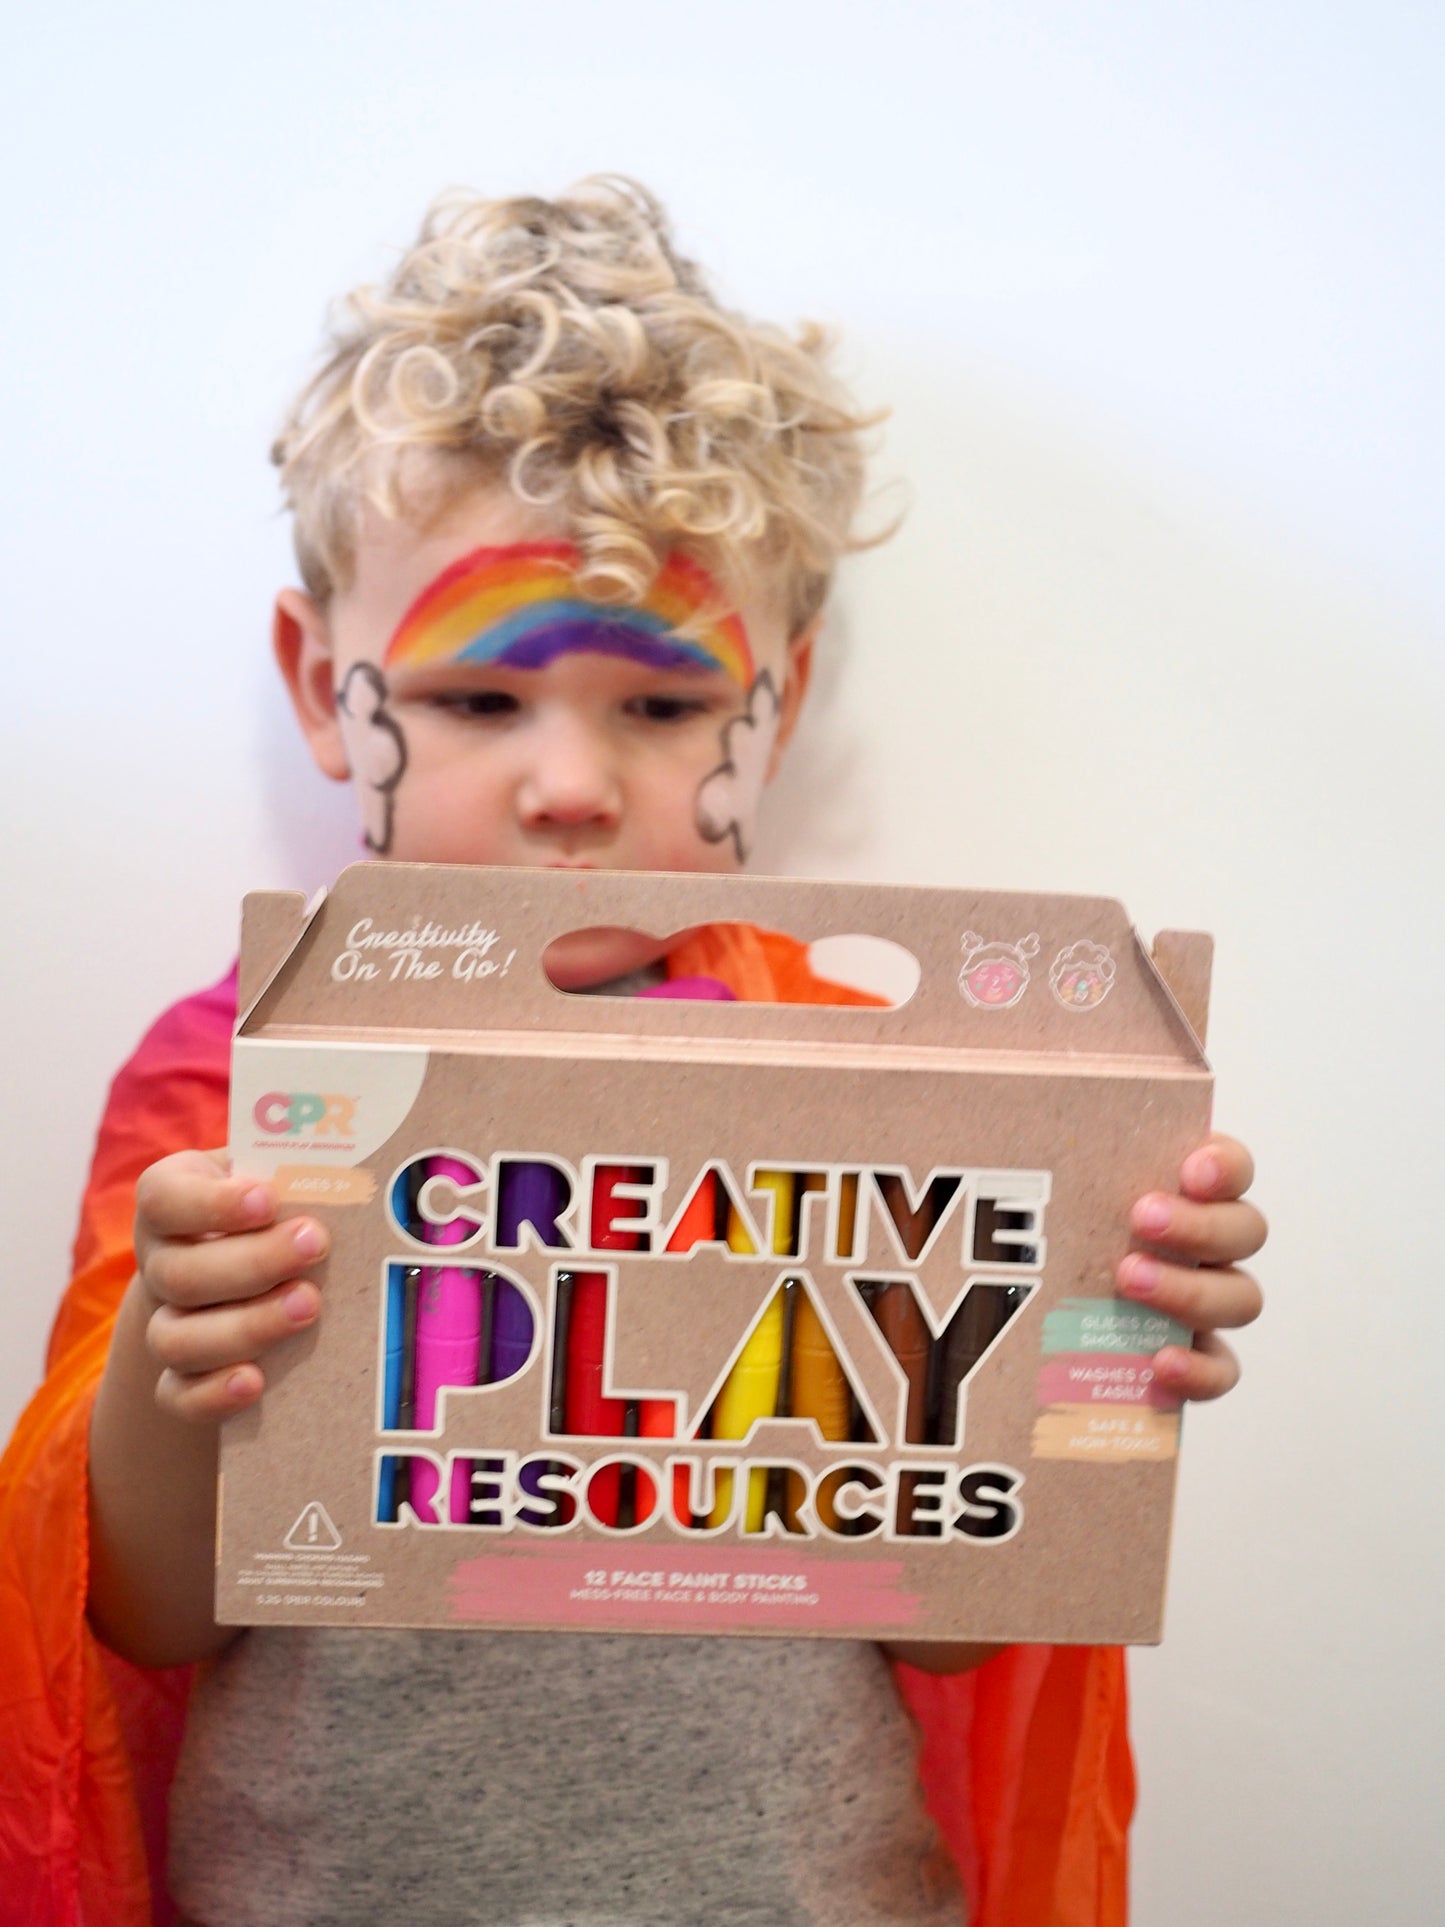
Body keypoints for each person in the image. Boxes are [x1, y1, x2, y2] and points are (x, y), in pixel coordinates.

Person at [0, 179, 1265, 1925]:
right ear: (320, 684)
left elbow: (956, 1617)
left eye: (663, 707)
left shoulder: (872, 1081)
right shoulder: (231, 1070)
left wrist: (1089, 1346)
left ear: (777, 704)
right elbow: (137, 1611)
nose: (573, 785)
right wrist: (172, 1334)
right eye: (474, 699)